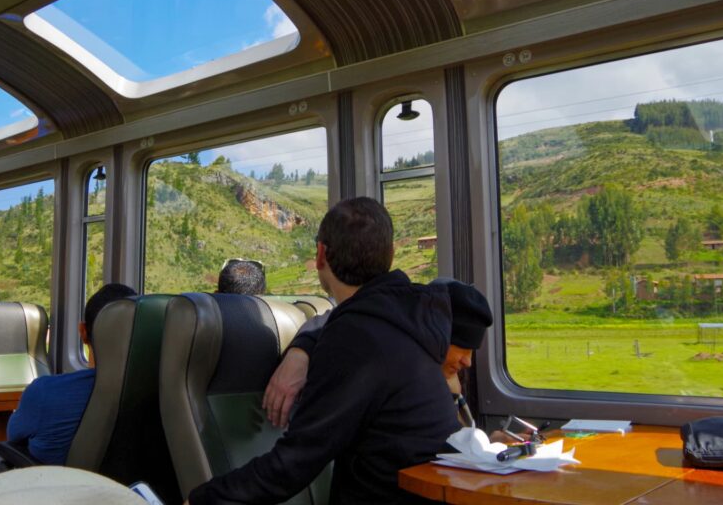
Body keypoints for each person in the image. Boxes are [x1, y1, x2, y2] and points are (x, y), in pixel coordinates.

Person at [187, 197, 459, 505]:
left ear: (320, 255)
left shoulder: (355, 337)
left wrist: (201, 500)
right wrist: (305, 345)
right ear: (391, 254)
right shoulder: (411, 316)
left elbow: (295, 464)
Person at [264, 277, 494, 433]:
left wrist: (486, 444)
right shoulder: (393, 364)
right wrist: (300, 352)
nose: (468, 361)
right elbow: (342, 319)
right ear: (438, 337)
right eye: (463, 348)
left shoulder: (442, 379)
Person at [0, 283, 137, 480]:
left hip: (51, 491)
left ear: (83, 332)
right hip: (132, 495)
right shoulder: (165, 395)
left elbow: (13, 438)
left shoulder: (45, 392)